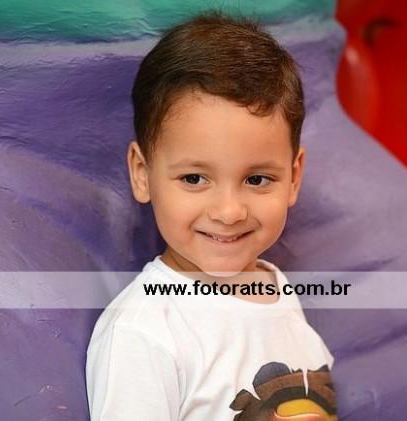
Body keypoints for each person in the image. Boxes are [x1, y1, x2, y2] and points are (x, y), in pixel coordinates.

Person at [86, 12, 338, 420]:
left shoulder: (280, 292)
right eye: (194, 178)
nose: (229, 211)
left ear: (293, 178)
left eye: (257, 179)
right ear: (142, 174)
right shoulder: (145, 332)